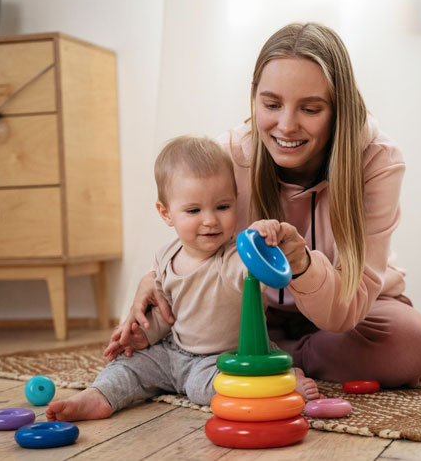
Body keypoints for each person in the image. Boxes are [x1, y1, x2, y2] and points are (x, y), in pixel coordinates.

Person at [119, 23, 421, 389]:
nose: (286, 126)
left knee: (410, 343)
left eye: (311, 109)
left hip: (347, 313)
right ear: (253, 96)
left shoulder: (377, 160)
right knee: (185, 324)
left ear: (339, 108)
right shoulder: (227, 156)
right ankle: (269, 352)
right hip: (254, 310)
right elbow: (194, 235)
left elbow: (346, 312)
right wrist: (153, 278)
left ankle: (269, 356)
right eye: (271, 105)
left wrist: (301, 265)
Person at [47, 136, 319, 422]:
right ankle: (98, 396)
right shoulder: (166, 256)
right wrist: (143, 336)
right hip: (173, 351)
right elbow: (167, 314)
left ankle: (279, 382)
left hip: (224, 358)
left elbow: (257, 272)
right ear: (166, 213)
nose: (210, 220)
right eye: (193, 211)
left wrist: (263, 238)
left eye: (222, 207)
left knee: (206, 388)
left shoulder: (233, 258)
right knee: (126, 365)